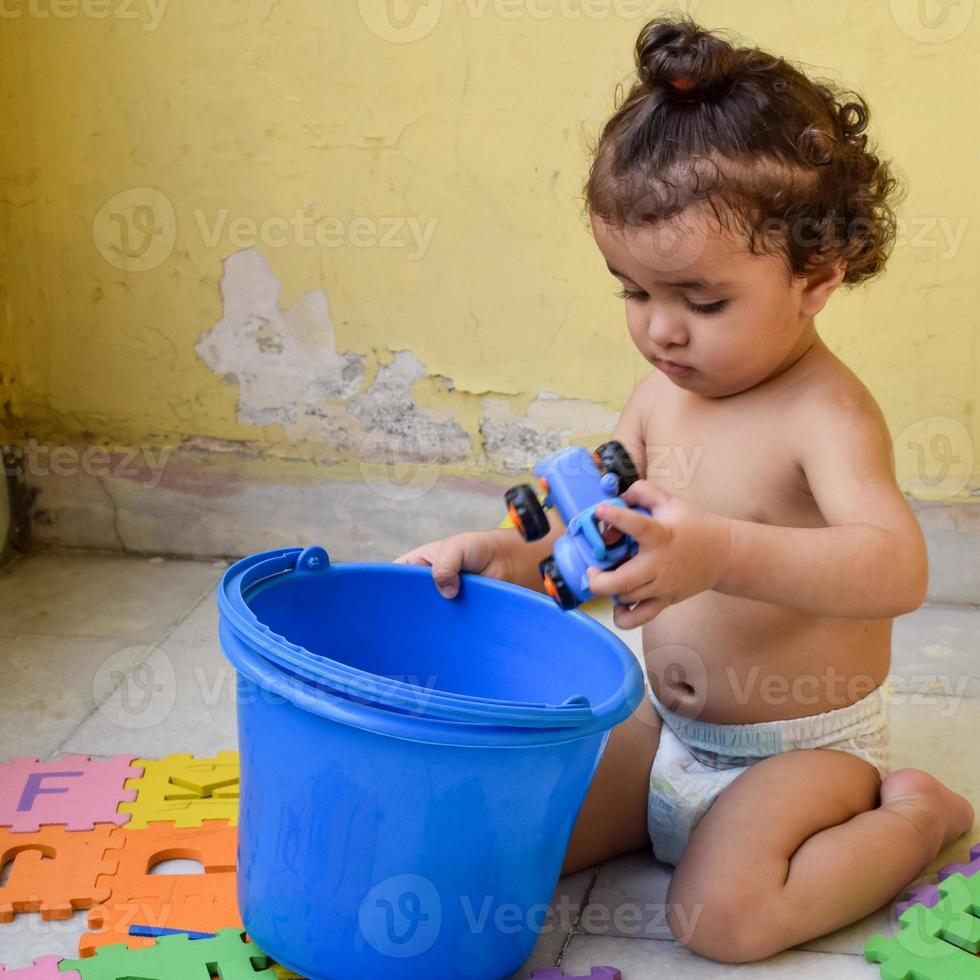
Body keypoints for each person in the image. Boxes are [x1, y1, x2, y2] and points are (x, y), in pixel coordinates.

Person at [394, 15, 974, 963]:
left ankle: (914, 818)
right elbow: (592, 526)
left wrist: (725, 553)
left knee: (722, 920)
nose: (662, 331)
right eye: (632, 290)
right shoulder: (660, 394)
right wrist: (508, 555)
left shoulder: (826, 414)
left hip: (801, 753)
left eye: (701, 302)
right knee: (502, 846)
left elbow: (896, 568)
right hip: (663, 729)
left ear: (816, 279)